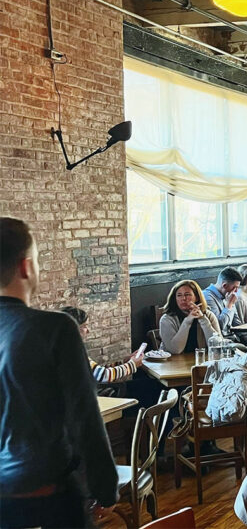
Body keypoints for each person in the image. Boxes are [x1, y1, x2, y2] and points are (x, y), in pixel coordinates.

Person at [0, 218, 118, 528]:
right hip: (44, 490)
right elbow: (84, 417)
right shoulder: (55, 328)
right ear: (27, 266)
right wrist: (104, 489)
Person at [61, 306, 145, 383]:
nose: (88, 331)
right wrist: (132, 365)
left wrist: (123, 362)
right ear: (73, 328)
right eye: (85, 326)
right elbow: (103, 375)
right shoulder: (71, 352)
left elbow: (97, 371)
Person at [159, 279, 221, 354]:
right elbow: (175, 350)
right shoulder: (167, 319)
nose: (183, 299)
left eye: (187, 294)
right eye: (179, 295)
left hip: (201, 361)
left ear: (197, 297)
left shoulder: (209, 315)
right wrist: (187, 321)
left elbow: (218, 346)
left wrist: (203, 320)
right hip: (174, 363)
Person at [203, 266, 243, 337]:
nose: (236, 291)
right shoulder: (207, 297)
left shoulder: (228, 296)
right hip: (221, 341)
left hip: (233, 339)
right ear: (224, 285)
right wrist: (229, 305)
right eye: (235, 287)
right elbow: (219, 326)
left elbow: (237, 323)